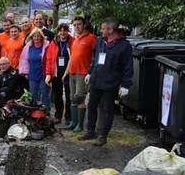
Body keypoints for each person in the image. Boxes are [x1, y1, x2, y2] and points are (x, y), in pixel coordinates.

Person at [78, 18, 133, 147]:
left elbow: (128, 67)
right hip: (96, 80)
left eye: (103, 29)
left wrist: (126, 84)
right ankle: (90, 131)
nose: (101, 31)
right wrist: (90, 72)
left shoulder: (124, 46)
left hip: (111, 83)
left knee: (107, 109)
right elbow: (95, 58)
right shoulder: (100, 41)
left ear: (110, 30)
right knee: (91, 106)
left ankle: (103, 135)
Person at [64, 16, 98, 132]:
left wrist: (91, 71)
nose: (77, 27)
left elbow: (97, 56)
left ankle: (80, 125)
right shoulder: (75, 39)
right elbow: (72, 57)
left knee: (80, 99)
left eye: (79, 24)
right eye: (75, 25)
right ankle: (73, 123)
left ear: (84, 25)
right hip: (72, 72)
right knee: (72, 98)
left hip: (83, 73)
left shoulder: (92, 38)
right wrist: (67, 72)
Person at [45, 24, 74, 124]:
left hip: (68, 72)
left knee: (69, 95)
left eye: (65, 30)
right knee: (57, 95)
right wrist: (48, 73)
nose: (63, 33)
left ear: (68, 31)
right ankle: (58, 115)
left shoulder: (72, 41)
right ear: (58, 32)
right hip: (56, 73)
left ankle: (68, 116)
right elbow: (49, 59)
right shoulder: (53, 43)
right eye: (60, 31)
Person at [19, 29, 52, 113]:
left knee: (44, 94)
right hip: (32, 74)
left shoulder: (47, 46)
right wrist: (25, 72)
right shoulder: (28, 47)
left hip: (43, 75)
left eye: (38, 36)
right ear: (32, 37)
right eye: (34, 36)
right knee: (33, 95)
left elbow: (50, 60)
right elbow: (24, 60)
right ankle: (35, 113)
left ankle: (46, 113)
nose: (36, 38)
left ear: (41, 37)